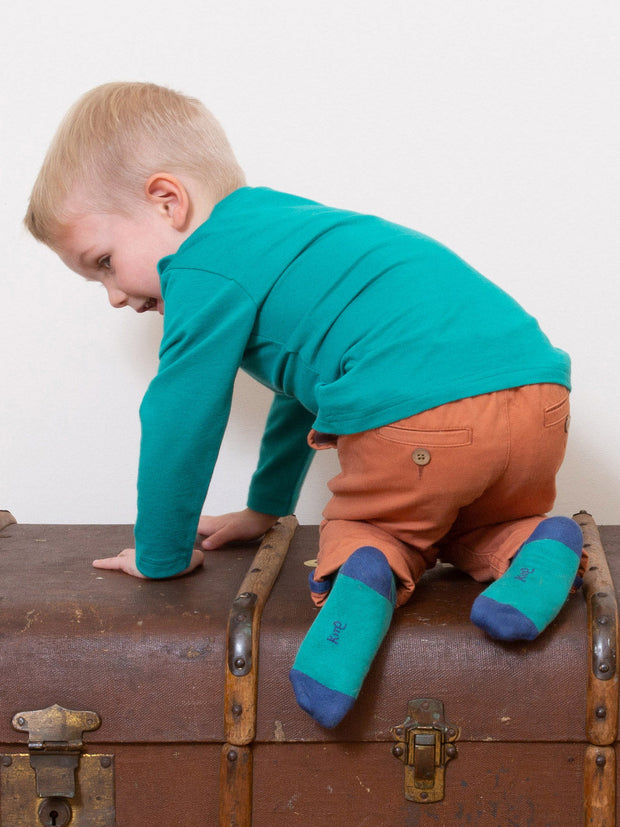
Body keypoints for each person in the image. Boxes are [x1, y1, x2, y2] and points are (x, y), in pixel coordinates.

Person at [24, 82, 584, 729]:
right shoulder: (284, 230)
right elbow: (306, 391)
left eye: (103, 263)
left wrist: (162, 554)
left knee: (378, 532)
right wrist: (267, 508)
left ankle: (340, 639)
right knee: (461, 522)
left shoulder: (202, 266)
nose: (115, 296)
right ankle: (535, 540)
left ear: (167, 201)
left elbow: (180, 414)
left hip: (425, 418)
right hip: (540, 397)